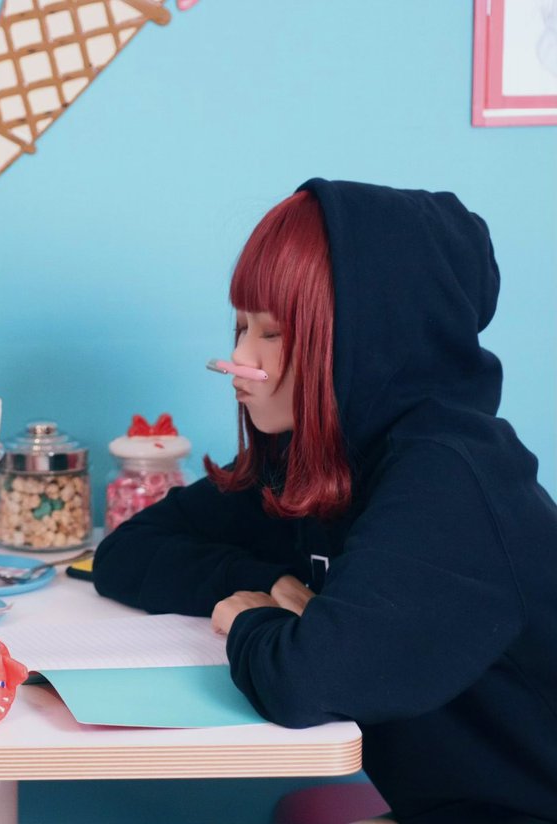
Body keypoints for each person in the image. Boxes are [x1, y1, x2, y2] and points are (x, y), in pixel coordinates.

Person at [93, 179, 557, 824]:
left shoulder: (452, 476)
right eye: (240, 327)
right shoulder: (320, 460)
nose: (238, 358)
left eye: (272, 333)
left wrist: (253, 620)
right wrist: (268, 585)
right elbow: (126, 552)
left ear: (370, 340)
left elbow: (306, 683)